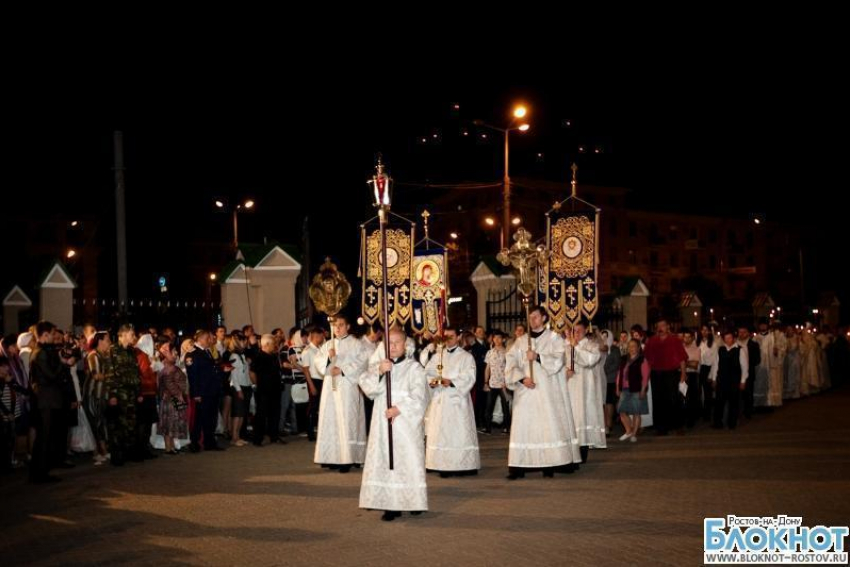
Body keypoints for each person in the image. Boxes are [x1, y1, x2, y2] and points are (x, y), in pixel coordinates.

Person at [359, 327, 429, 521]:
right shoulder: (379, 366)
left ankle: (413, 500)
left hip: (405, 424)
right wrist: (380, 373)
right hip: (383, 423)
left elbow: (420, 396)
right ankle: (391, 505)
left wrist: (400, 408)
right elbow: (367, 388)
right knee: (388, 461)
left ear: (405, 345)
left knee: (408, 460)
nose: (394, 346)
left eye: (398, 342)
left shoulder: (414, 368)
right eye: (390, 343)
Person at [504, 306, 581, 479]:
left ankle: (549, 464)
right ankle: (519, 466)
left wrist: (538, 357)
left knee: (546, 426)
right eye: (530, 317)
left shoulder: (554, 338)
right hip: (525, 392)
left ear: (544, 318)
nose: (532, 320)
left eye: (536, 317)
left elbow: (559, 360)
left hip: (546, 393)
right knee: (525, 427)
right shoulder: (521, 341)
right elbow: (510, 362)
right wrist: (522, 379)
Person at [312, 316, 369, 472]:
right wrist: (329, 360)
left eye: (341, 325)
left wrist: (343, 370)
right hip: (330, 386)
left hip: (347, 386)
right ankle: (331, 456)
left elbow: (362, 361)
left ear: (348, 326)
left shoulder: (356, 344)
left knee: (347, 419)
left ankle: (347, 458)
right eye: (335, 326)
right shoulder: (328, 344)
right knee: (330, 419)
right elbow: (318, 362)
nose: (337, 328)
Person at [423, 326, 479, 478]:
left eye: (451, 336)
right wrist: (432, 382)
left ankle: (462, 464)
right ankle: (440, 464)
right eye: (445, 337)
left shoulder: (466, 357)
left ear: (458, 337)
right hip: (440, 400)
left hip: (457, 401)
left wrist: (452, 382)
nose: (448, 340)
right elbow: (427, 372)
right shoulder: (437, 356)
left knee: (457, 433)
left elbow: (470, 377)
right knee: (441, 433)